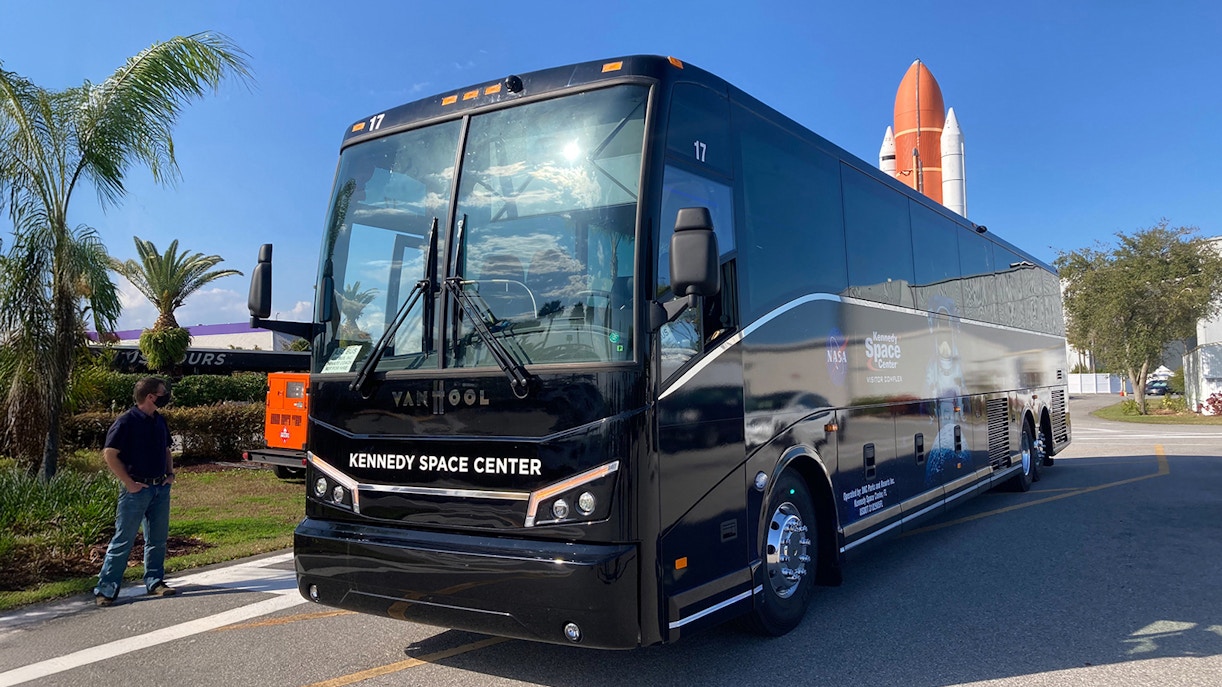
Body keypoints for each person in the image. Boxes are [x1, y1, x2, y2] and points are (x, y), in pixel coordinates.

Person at [93, 377, 178, 606]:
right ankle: (106, 589)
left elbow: (166, 448)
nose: (165, 396)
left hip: (160, 488)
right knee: (123, 540)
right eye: (162, 393)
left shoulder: (159, 420)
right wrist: (129, 482)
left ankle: (155, 581)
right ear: (151, 396)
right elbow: (110, 454)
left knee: (157, 540)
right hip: (136, 491)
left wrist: (170, 475)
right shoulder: (126, 422)